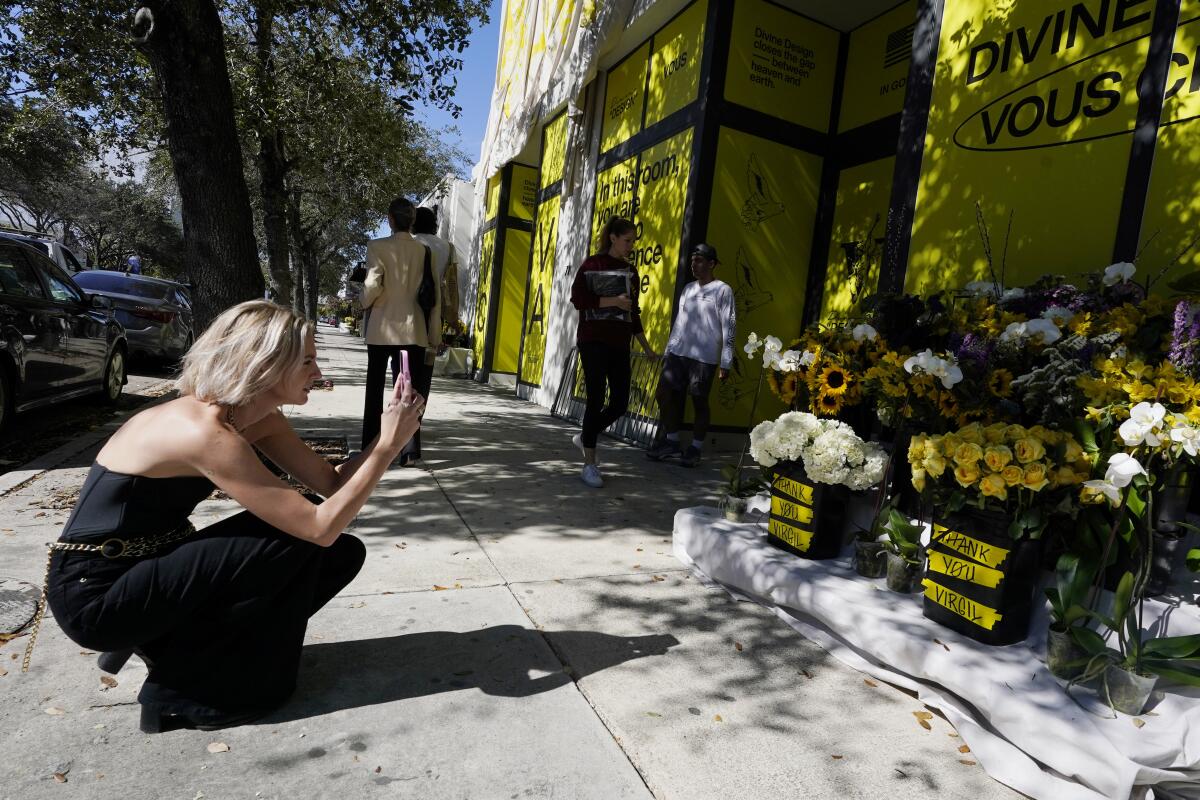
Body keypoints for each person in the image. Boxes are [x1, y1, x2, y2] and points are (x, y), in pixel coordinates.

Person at [37, 300, 425, 733]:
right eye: (308, 361)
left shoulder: (255, 417)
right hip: (96, 594)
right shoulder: (202, 430)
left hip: (146, 562)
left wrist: (387, 435)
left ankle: (173, 644)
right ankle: (180, 689)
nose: (318, 373)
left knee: (337, 553)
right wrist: (388, 448)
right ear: (266, 363)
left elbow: (333, 485)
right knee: (299, 539)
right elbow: (318, 525)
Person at [569, 217, 658, 488]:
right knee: (596, 396)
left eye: (633, 242)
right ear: (613, 238)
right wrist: (613, 301)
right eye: (627, 240)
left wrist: (647, 347)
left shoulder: (631, 271)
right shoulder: (592, 265)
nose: (631, 246)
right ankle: (589, 464)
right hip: (592, 340)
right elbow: (578, 300)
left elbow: (633, 313)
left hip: (620, 342)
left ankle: (588, 433)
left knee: (620, 402)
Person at [361, 197, 441, 464]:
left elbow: (373, 284)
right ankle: (409, 450)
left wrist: (363, 302)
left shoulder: (377, 246)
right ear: (413, 221)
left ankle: (369, 446)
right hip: (413, 328)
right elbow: (432, 293)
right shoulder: (423, 251)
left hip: (382, 328)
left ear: (390, 219)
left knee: (374, 388)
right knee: (409, 389)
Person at [647, 243, 735, 467]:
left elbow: (729, 326)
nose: (694, 265)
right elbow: (680, 323)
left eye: (699, 260)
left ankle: (695, 448)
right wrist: (669, 351)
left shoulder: (722, 290)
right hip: (678, 354)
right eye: (693, 260)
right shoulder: (688, 289)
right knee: (663, 393)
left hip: (704, 358)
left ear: (712, 263)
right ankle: (673, 442)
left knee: (699, 401)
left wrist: (726, 362)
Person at [412, 206, 460, 333]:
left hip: (409, 301)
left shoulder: (409, 243)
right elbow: (452, 282)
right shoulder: (448, 247)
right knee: (430, 344)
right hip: (435, 301)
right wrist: (452, 315)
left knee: (407, 347)